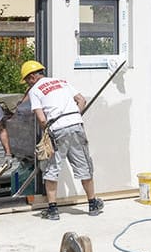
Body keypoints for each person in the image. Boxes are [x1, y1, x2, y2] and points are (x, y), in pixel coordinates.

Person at [19, 59, 101, 221]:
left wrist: (47, 134)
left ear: (33, 76)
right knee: (84, 165)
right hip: (76, 126)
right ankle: (93, 204)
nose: (27, 83)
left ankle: (53, 210)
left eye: (27, 79)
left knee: (52, 168)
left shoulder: (35, 90)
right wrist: (74, 116)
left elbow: (41, 119)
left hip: (57, 129)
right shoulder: (61, 82)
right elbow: (81, 100)